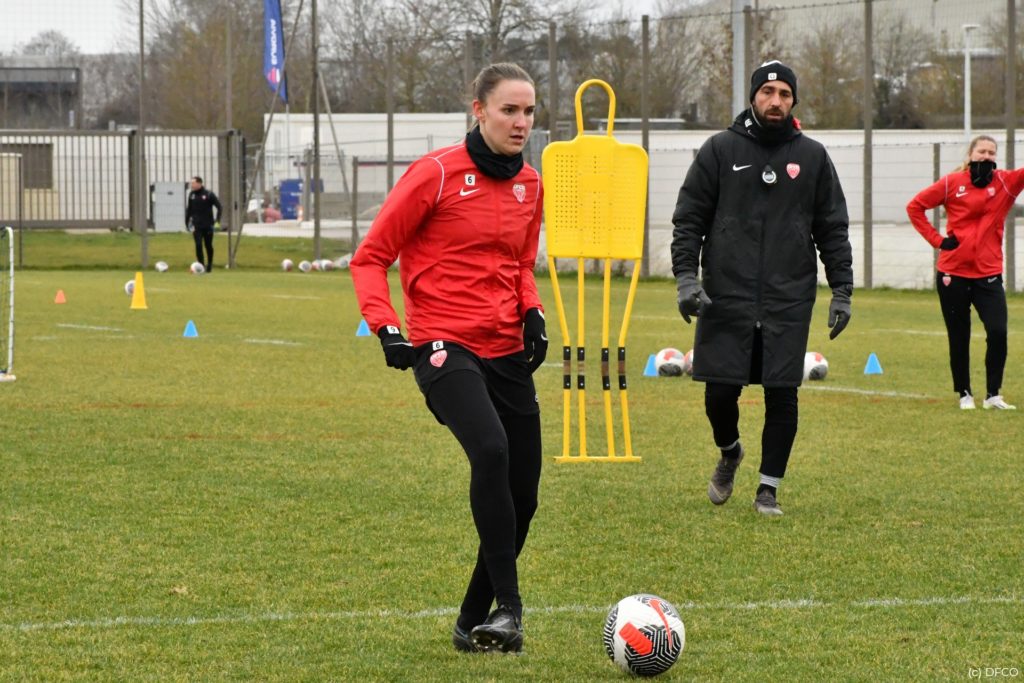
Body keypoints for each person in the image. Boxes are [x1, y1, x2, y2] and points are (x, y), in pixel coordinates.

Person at [349, 63, 546, 653]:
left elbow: (519, 264)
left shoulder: (530, 183)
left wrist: (532, 311)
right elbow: (370, 257)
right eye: (509, 110)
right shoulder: (434, 174)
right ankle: (511, 610)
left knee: (524, 496)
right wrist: (387, 328)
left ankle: (470, 622)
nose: (521, 122)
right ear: (478, 110)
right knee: (490, 449)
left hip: (505, 348)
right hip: (442, 344)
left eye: (529, 111)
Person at [671, 60, 854, 516]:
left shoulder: (813, 157)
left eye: (784, 94)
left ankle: (768, 489)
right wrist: (687, 278)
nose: (776, 101)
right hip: (725, 294)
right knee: (718, 393)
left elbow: (833, 229)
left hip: (788, 296)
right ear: (753, 97)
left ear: (794, 101)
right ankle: (730, 451)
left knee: (782, 392)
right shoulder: (719, 149)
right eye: (768, 92)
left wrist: (842, 290)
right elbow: (689, 220)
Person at [906, 135, 1021, 410]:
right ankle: (964, 394)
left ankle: (993, 395)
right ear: (970, 155)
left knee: (998, 331)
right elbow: (915, 207)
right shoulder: (951, 183)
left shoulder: (1006, 182)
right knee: (959, 335)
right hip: (952, 274)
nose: (987, 156)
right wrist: (938, 241)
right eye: (982, 151)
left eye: (992, 152)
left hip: (988, 274)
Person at [185, 176, 222, 272]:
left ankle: (209, 264)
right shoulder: (192, 195)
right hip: (196, 225)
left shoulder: (209, 194)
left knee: (208, 245)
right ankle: (201, 266)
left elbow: (219, 207)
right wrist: (187, 221)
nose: (192, 185)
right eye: (191, 183)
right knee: (198, 245)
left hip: (208, 225)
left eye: (193, 183)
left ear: (199, 183)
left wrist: (217, 221)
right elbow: (189, 209)